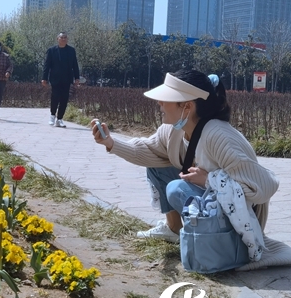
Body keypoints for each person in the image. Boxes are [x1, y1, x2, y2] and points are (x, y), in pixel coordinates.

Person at [91, 69, 278, 243]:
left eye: (166, 99)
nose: (159, 103)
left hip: (240, 225)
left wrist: (210, 180)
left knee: (177, 188)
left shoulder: (219, 136)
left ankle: (214, 243)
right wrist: (111, 143)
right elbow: (148, 150)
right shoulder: (173, 130)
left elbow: (265, 186)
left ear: (187, 106)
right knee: (157, 165)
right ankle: (174, 230)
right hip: (213, 205)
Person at [42, 32, 81, 128]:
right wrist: (44, 78)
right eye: (61, 37)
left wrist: (77, 78)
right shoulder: (51, 51)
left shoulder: (71, 51)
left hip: (67, 79)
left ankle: (59, 119)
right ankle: (52, 115)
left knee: (64, 98)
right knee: (55, 96)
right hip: (55, 78)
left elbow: (75, 65)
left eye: (65, 37)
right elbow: (47, 65)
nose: (63, 39)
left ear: (67, 39)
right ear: (57, 39)